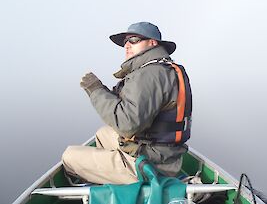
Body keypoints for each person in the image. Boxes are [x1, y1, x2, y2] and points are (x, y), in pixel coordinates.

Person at [62, 22, 192, 184]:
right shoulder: (164, 68)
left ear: (152, 43)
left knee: (69, 156)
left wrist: (95, 90)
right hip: (166, 155)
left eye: (134, 40)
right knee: (103, 133)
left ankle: (124, 182)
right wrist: (103, 90)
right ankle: (112, 174)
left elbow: (126, 124)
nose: (127, 45)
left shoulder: (149, 75)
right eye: (125, 42)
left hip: (151, 164)